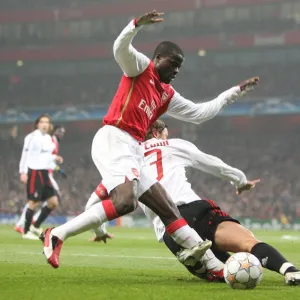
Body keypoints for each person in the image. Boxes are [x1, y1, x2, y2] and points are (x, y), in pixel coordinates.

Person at [41, 10, 259, 269]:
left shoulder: (167, 94)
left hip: (133, 148)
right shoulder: (140, 67)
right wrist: (135, 25)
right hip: (114, 138)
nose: (176, 70)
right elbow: (120, 49)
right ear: (157, 58)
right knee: (125, 202)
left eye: (180, 66)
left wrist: (233, 93)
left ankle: (215, 269)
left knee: (168, 208)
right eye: (173, 63)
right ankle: (56, 234)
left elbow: (200, 114)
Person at [89, 120, 300, 285]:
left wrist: (100, 231)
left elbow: (99, 199)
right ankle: (290, 271)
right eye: (165, 133)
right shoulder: (174, 144)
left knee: (225, 272)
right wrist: (241, 181)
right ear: (156, 133)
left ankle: (206, 263)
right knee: (248, 243)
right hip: (194, 210)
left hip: (171, 230)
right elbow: (213, 164)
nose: (167, 137)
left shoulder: (126, 158)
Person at [19, 115, 63, 240]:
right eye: (42, 122)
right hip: (34, 171)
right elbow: (25, 154)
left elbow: (46, 155)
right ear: (37, 124)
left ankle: (35, 226)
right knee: (34, 201)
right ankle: (26, 231)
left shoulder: (49, 138)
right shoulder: (31, 137)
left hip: (44, 172)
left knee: (53, 202)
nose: (45, 124)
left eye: (47, 122)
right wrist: (22, 172)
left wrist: (55, 158)